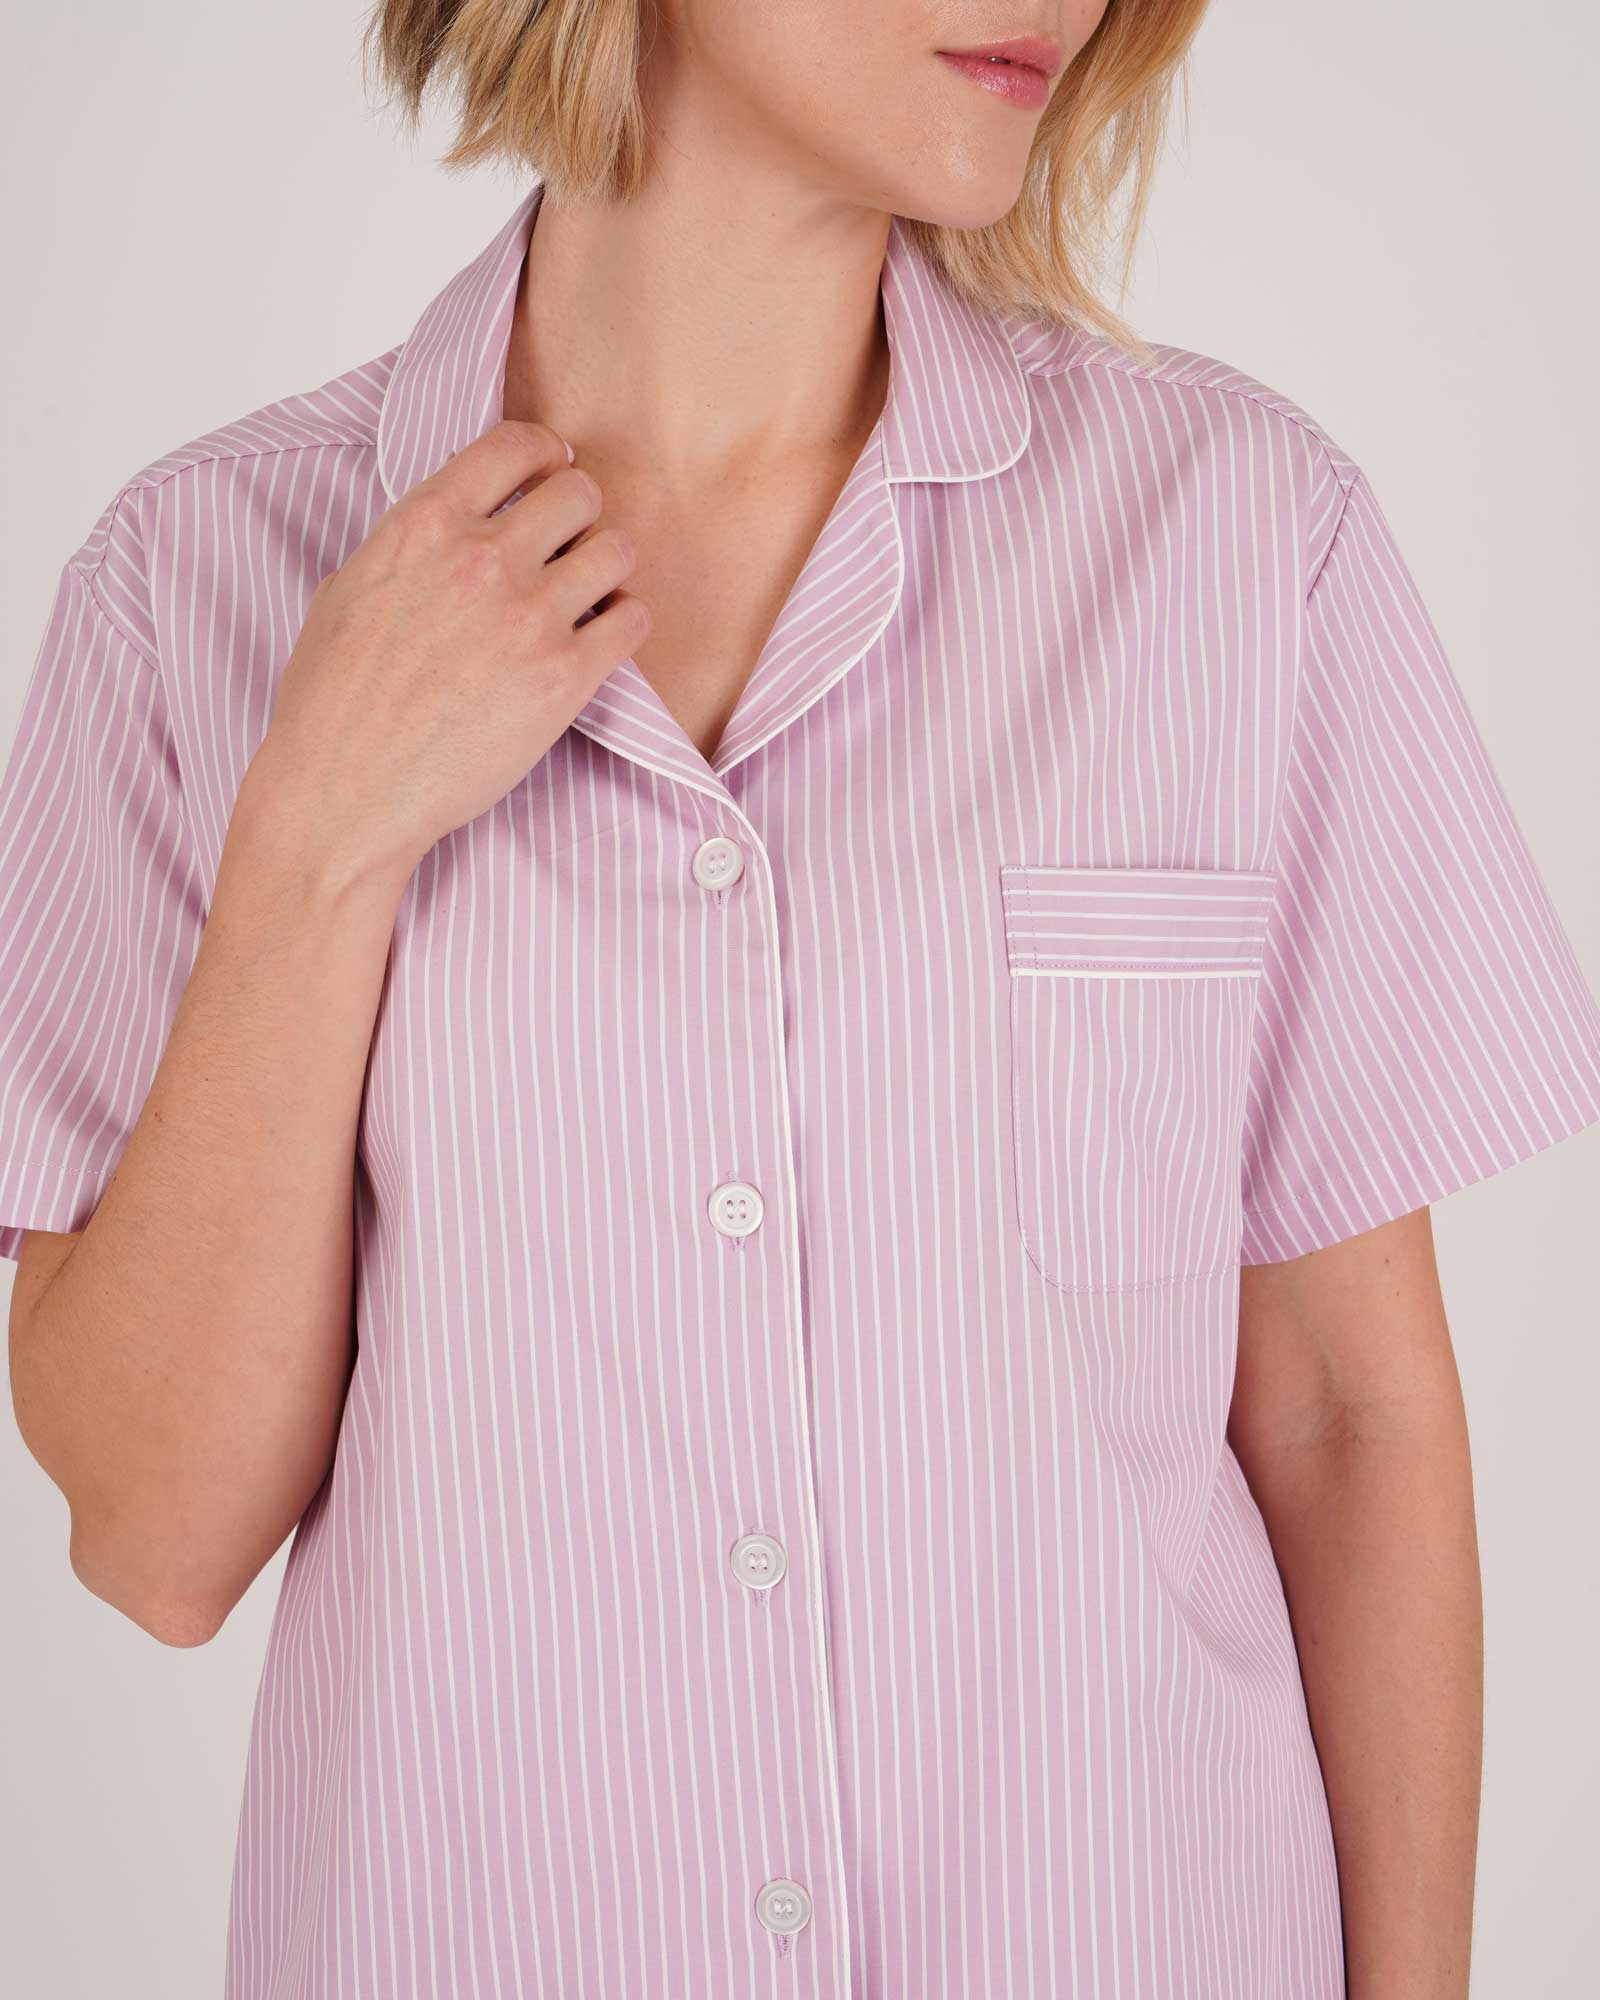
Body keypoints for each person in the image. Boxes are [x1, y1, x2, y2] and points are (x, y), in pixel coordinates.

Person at [3, 3, 1598, 1995]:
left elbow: (1349, 1414)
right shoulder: (193, 581)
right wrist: (317, 840)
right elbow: (154, 1545)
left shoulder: (1242, 540)